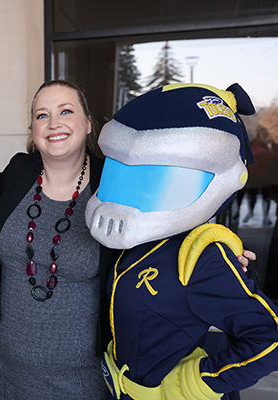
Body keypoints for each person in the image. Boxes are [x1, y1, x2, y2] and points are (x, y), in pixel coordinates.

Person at [86, 83, 278, 399]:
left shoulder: (201, 258)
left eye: (155, 178)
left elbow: (269, 338)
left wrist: (194, 384)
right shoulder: (137, 242)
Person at [0, 80, 119, 399]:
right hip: (7, 370)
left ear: (88, 124)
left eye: (66, 111)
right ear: (33, 129)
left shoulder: (114, 184)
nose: (53, 123)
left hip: (83, 379)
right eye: (42, 115)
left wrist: (211, 250)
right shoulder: (18, 171)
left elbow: (164, 229)